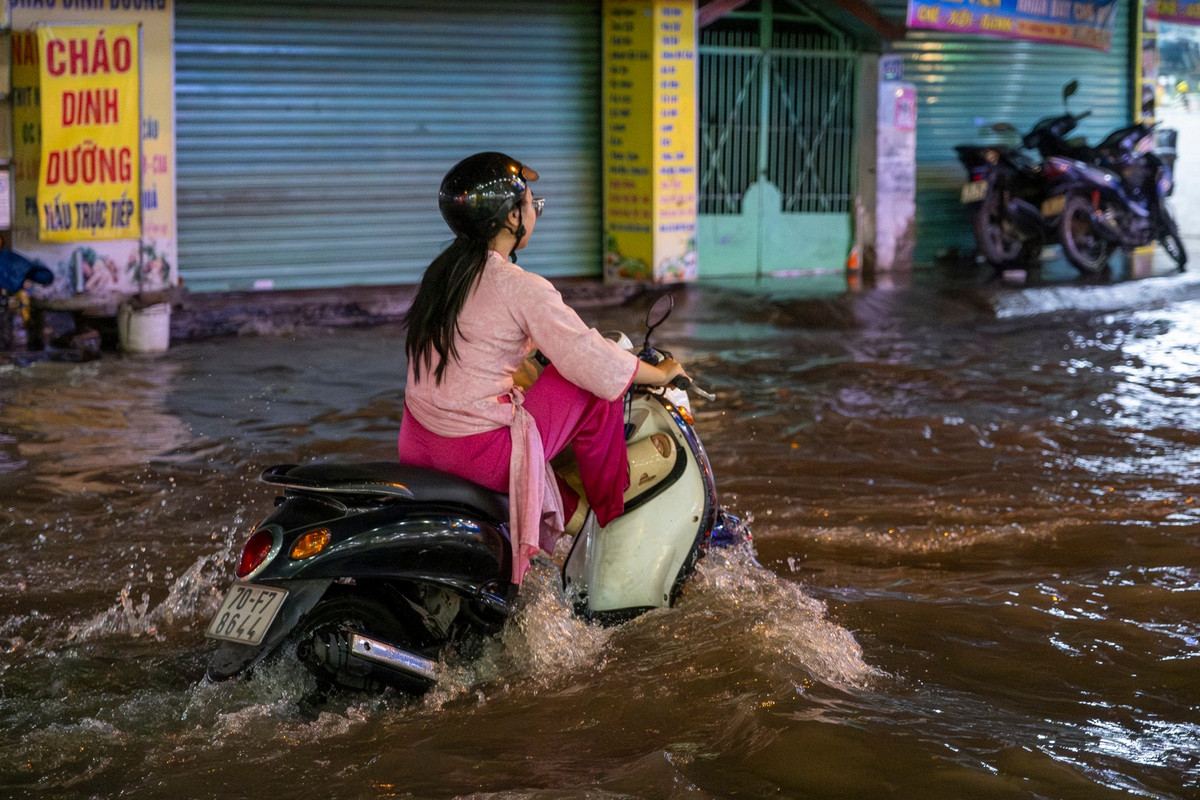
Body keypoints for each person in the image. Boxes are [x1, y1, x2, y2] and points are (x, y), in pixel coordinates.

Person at [398, 152, 688, 583]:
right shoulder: (518, 285)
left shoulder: (442, 275)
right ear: (512, 216)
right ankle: (612, 506)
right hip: (477, 455)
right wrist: (663, 374)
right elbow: (590, 358)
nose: (536, 212)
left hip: (418, 440)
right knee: (594, 383)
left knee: (550, 385)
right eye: (534, 204)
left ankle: (571, 515)